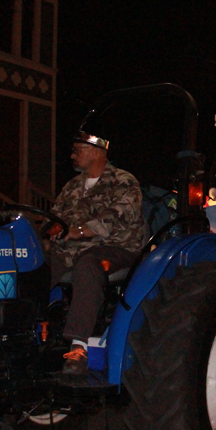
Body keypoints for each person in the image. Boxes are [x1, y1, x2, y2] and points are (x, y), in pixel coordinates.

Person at [46, 126, 144, 375]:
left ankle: (78, 349)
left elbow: (117, 217)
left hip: (114, 248)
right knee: (37, 267)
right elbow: (55, 217)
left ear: (96, 152)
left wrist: (79, 231)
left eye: (77, 150)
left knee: (88, 266)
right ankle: (33, 334)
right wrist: (50, 230)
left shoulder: (124, 181)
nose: (72, 156)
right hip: (70, 250)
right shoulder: (72, 187)